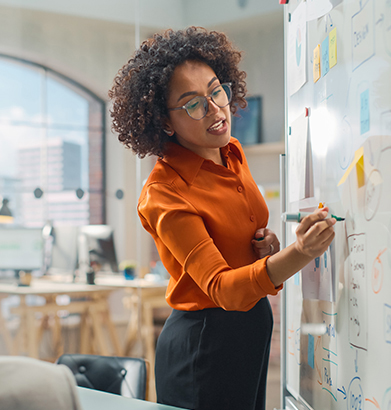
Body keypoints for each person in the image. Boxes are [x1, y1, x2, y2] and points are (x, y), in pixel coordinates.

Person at [109, 26, 336, 410]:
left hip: (250, 329)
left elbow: (242, 244)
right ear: (165, 122)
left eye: (216, 91)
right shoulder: (164, 193)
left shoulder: (231, 152)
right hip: (204, 343)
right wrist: (301, 252)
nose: (216, 110)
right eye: (193, 104)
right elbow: (221, 288)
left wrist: (266, 249)